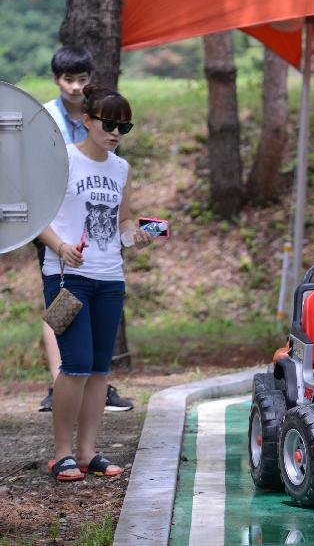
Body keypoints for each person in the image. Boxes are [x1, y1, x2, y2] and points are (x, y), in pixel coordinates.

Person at [38, 85, 151, 481]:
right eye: (109, 123)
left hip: (109, 277)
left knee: (100, 368)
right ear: (87, 120)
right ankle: (62, 454)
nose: (116, 132)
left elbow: (122, 222)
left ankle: (87, 453)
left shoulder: (121, 168)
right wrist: (60, 245)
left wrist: (134, 236)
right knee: (76, 364)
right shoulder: (63, 160)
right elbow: (38, 218)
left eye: (125, 126)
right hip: (68, 277)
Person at [37, 46, 133, 414]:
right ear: (56, 80)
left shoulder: (116, 158)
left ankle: (85, 386)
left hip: (98, 241)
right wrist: (58, 244)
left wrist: (133, 233)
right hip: (57, 228)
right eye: (68, 80)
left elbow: (123, 214)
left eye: (82, 79)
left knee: (94, 361)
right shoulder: (46, 118)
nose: (75, 87)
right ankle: (57, 380)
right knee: (59, 307)